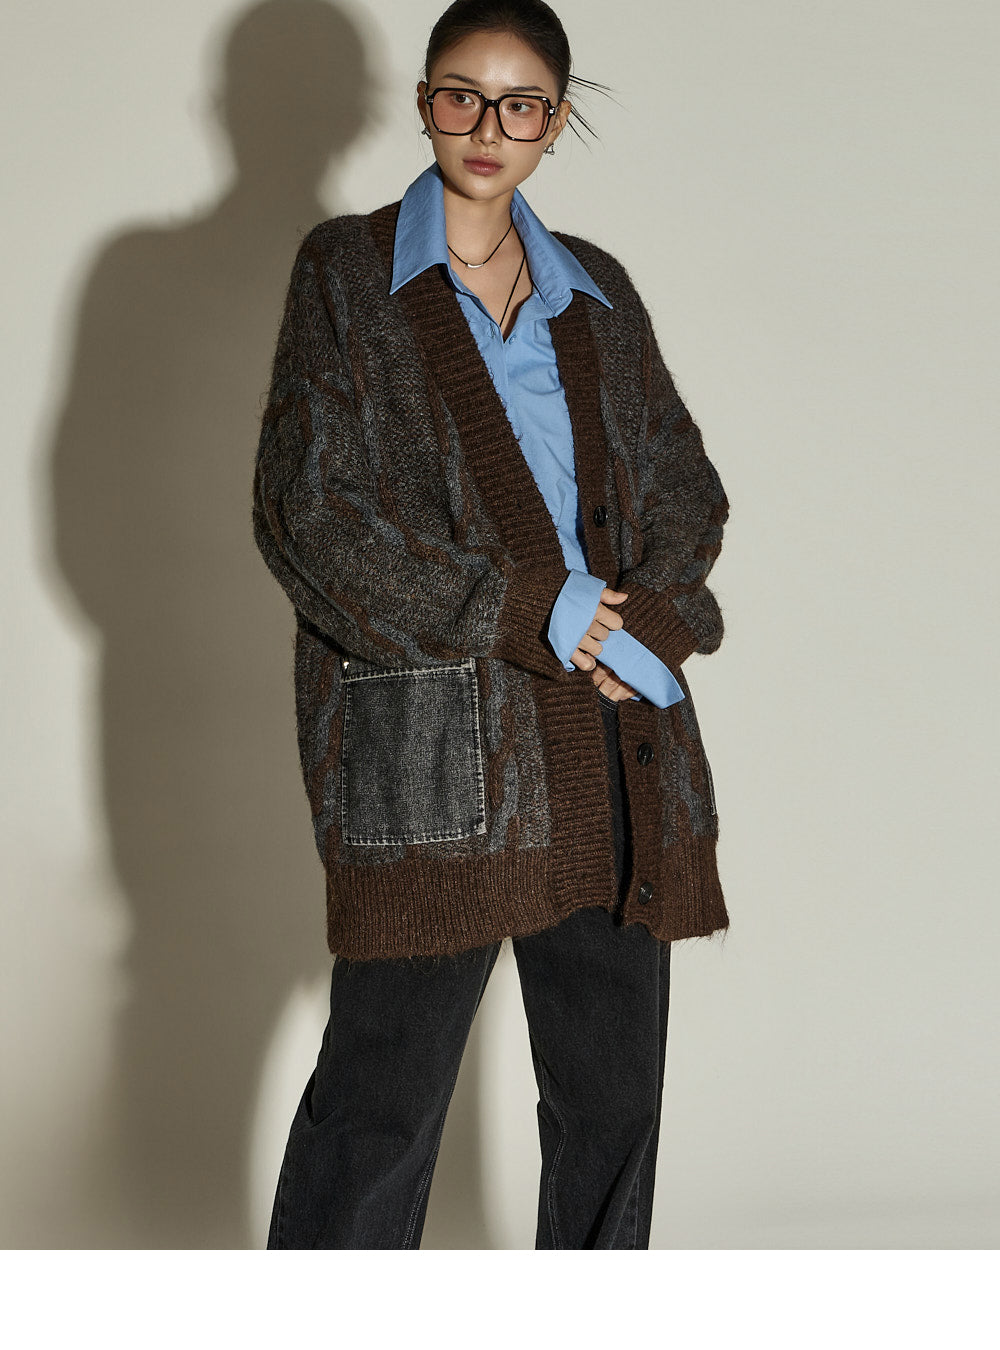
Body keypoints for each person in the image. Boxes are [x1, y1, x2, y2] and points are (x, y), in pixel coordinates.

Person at [252, 0, 730, 1249]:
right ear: (423, 102)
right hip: (435, 760)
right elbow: (309, 518)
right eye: (460, 94)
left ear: (555, 123)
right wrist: (532, 607)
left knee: (611, 1109)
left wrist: (650, 624)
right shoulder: (347, 274)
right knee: (380, 1107)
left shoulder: (597, 291)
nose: (486, 126)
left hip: (611, 742)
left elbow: (685, 490)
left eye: (521, 105)